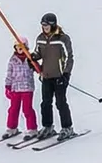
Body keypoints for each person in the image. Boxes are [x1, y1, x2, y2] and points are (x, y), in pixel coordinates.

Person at [31, 13, 75, 141]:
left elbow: (70, 57)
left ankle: (67, 127)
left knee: (60, 103)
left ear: (53, 24)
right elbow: (37, 53)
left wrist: (66, 74)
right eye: (42, 25)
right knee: (45, 103)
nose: (44, 27)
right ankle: (48, 126)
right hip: (46, 76)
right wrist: (33, 57)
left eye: (46, 25)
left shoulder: (63, 39)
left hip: (60, 77)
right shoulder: (40, 38)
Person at [0, 38, 37, 140]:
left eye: (22, 47)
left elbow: (38, 69)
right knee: (13, 109)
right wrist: (8, 86)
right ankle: (12, 128)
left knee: (27, 109)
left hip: (27, 88)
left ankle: (32, 129)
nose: (20, 49)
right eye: (18, 47)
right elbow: (9, 74)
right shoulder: (13, 60)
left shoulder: (30, 58)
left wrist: (35, 64)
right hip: (15, 88)